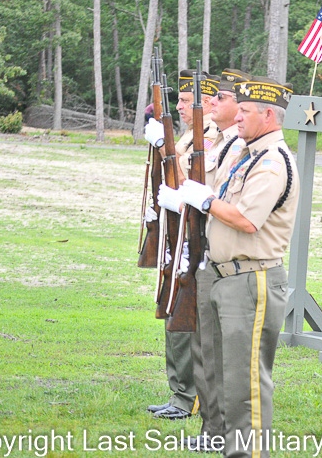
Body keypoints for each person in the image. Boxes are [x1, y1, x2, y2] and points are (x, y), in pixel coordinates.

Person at [158, 75, 299, 457]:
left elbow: (247, 220)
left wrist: (205, 201)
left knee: (244, 382)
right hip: (225, 274)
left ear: (268, 116)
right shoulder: (246, 155)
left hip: (251, 277)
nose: (237, 116)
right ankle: (222, 441)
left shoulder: (272, 162)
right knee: (219, 371)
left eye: (245, 111)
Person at [143, 69, 217, 420]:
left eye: (187, 101)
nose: (180, 107)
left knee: (185, 318)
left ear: (209, 103)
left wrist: (164, 146)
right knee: (173, 311)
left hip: (195, 236)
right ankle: (179, 393)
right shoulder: (189, 135)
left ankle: (189, 396)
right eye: (180, 100)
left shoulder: (211, 137)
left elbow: (194, 182)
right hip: (179, 232)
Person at [186, 68, 250, 452]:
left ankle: (222, 431)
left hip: (229, 259)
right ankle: (211, 428)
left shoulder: (243, 148)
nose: (212, 102)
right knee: (204, 351)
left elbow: (226, 202)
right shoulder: (220, 142)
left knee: (221, 355)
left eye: (222, 98)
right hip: (207, 252)